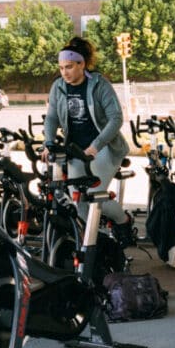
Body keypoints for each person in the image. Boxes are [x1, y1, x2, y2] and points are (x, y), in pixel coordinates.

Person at [44, 38, 130, 236]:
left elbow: (116, 119)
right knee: (78, 199)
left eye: (69, 67)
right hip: (76, 150)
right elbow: (51, 117)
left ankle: (123, 220)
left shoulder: (99, 84)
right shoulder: (58, 87)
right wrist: (48, 143)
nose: (64, 72)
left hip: (103, 149)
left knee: (93, 195)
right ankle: (90, 241)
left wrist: (96, 145)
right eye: (61, 67)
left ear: (82, 64)